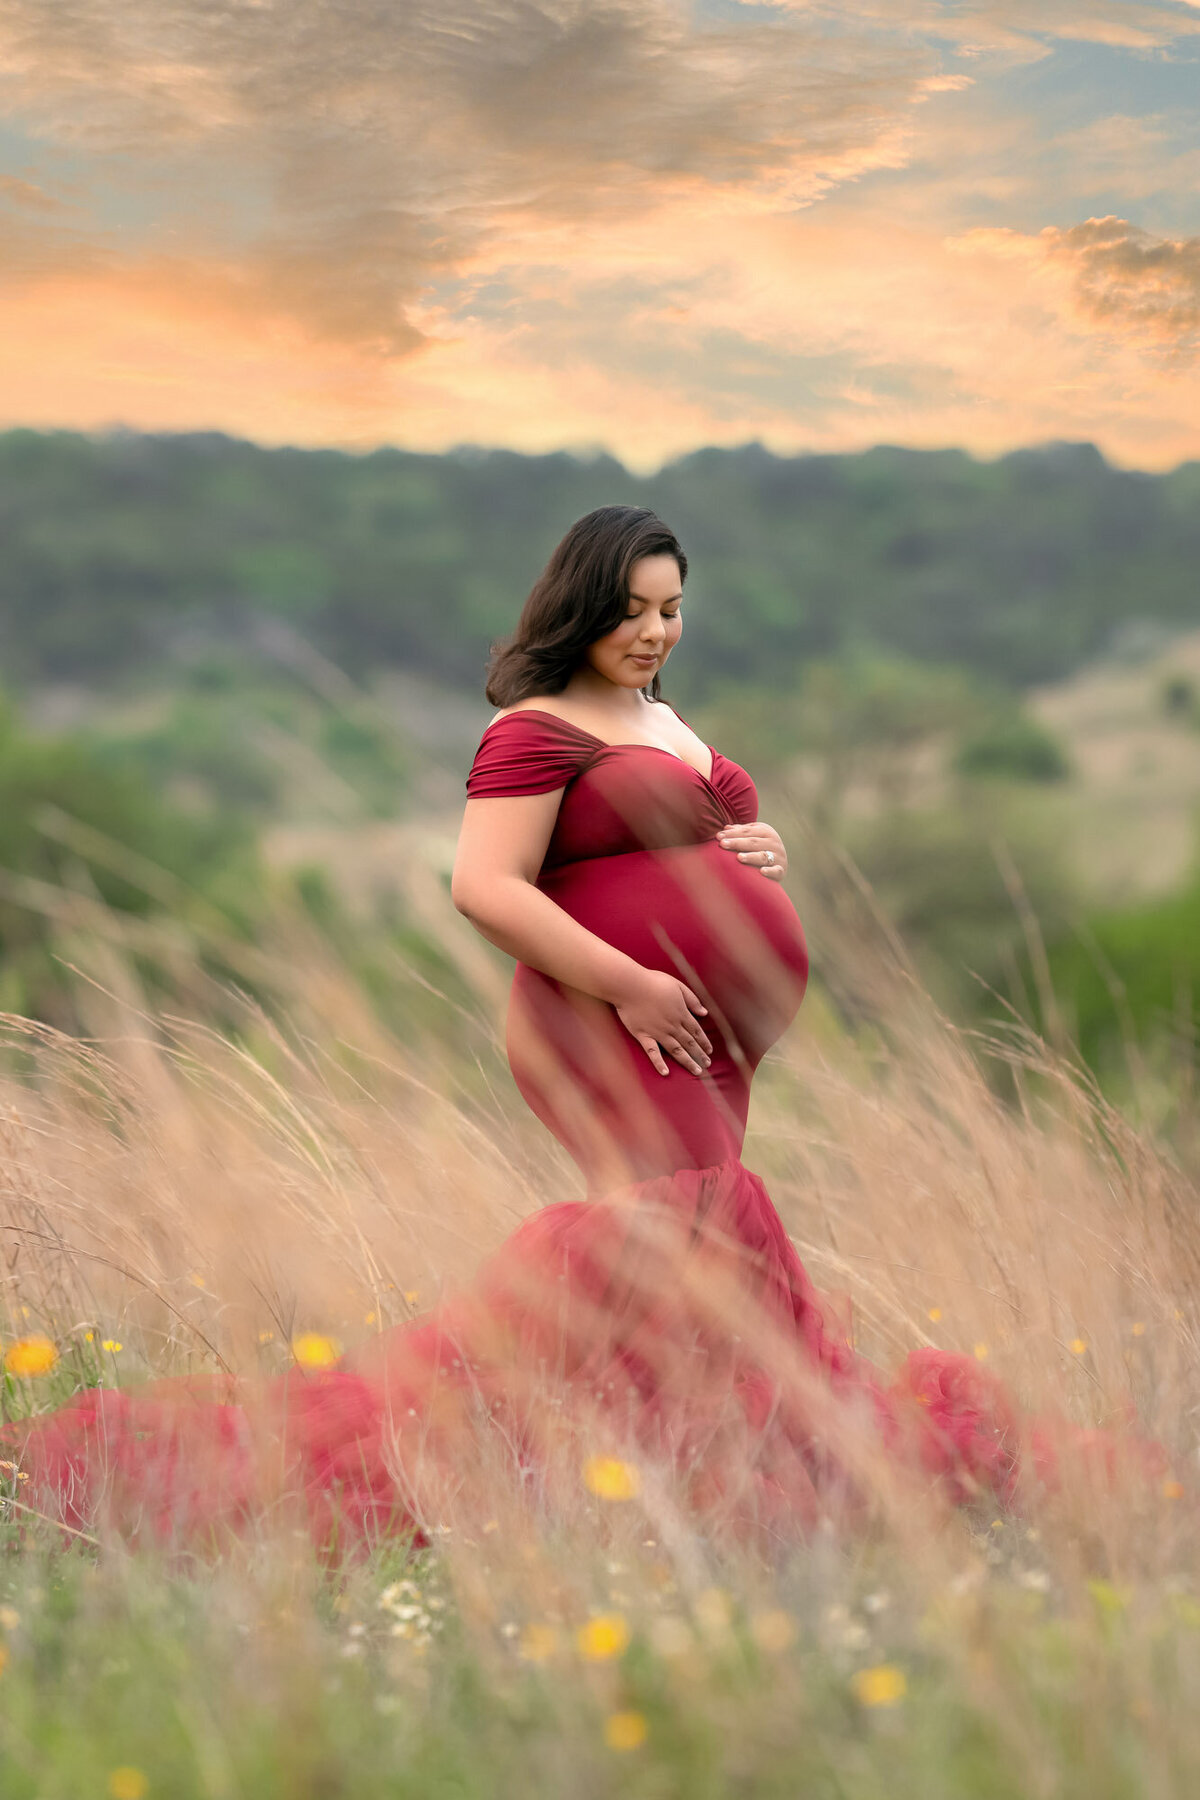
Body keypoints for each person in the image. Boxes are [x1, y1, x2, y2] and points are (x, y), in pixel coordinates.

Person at [2, 507, 1175, 1556]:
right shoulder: (537, 729)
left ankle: (670, 1468)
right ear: (581, 607)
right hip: (611, 1022)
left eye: (671, 608)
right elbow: (487, 886)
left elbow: (692, 832)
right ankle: (590, 1469)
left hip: (705, 1040)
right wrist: (633, 984)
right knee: (692, 1220)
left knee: (694, 1248)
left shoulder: (659, 716)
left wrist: (754, 855)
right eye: (632, 611)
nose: (656, 630)